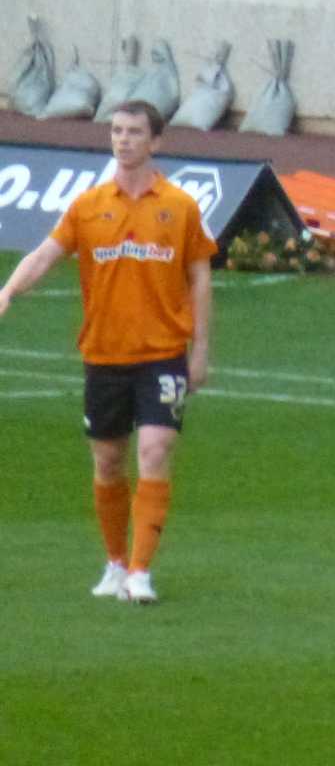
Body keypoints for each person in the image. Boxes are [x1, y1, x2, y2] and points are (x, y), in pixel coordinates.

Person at [0, 99, 215, 605]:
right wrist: (8, 291)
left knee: (156, 450)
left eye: (135, 132)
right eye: (117, 131)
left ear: (155, 141)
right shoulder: (89, 206)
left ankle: (141, 571)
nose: (123, 139)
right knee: (109, 463)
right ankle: (116, 562)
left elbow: (201, 279)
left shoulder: (180, 208)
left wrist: (200, 351)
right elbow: (45, 255)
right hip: (104, 357)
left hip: (162, 355)